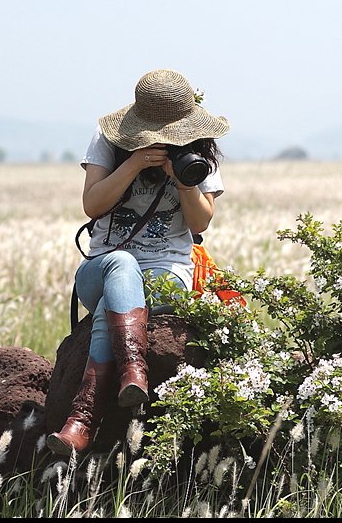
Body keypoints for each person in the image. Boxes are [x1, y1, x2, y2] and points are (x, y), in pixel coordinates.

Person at [47, 68, 229, 455]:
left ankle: (83, 418)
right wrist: (133, 164)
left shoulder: (199, 149)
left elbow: (201, 222)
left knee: (111, 306)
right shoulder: (109, 141)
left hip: (168, 273)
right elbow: (92, 204)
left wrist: (182, 178)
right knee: (121, 265)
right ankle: (132, 368)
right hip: (102, 268)